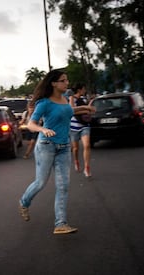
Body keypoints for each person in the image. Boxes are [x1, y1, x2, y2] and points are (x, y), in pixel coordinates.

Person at [18, 69, 95, 234]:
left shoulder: (65, 100)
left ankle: (60, 223)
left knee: (63, 186)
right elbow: (31, 124)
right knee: (40, 183)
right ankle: (24, 202)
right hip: (46, 145)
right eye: (63, 80)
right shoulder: (44, 103)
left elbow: (68, 112)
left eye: (67, 80)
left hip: (64, 147)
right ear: (53, 83)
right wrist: (43, 129)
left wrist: (84, 108)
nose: (67, 83)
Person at [69, 83, 93, 177]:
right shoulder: (71, 98)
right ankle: (76, 160)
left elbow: (89, 110)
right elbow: (72, 110)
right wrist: (85, 109)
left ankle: (87, 168)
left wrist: (85, 108)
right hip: (74, 127)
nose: (85, 90)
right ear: (79, 90)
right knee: (75, 148)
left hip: (84, 125)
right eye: (83, 88)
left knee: (87, 145)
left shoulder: (84, 99)